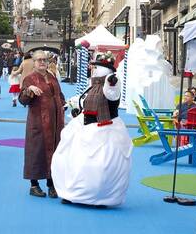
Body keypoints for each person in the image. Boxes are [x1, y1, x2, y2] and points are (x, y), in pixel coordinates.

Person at [51, 51, 133, 206]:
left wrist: (112, 80)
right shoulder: (93, 85)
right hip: (86, 127)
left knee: (99, 166)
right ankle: (73, 194)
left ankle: (99, 197)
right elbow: (86, 102)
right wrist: (78, 111)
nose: (94, 69)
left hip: (105, 130)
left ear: (106, 70)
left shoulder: (110, 83)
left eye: (98, 67)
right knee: (72, 159)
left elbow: (112, 91)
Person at [20, 50, 65, 198]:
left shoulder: (52, 77)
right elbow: (22, 100)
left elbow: (59, 95)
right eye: (39, 60)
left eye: (44, 59)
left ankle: (52, 184)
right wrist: (29, 90)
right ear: (34, 62)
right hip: (38, 122)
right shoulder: (29, 78)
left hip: (55, 123)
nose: (42, 62)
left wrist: (65, 105)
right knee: (36, 152)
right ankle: (34, 185)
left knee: (55, 152)